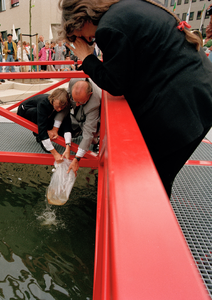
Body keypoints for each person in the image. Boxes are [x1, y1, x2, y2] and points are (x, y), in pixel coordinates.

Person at [60, 0, 212, 197]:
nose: (87, 41)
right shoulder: (126, 8)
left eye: (77, 36)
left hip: (179, 110)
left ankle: (149, 223)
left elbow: (116, 84)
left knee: (152, 180)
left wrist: (87, 58)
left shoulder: (108, 28)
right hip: (200, 96)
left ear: (79, 22)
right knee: (160, 177)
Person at [50, 78, 101, 176]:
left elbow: (89, 131)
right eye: (75, 100)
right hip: (77, 117)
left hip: (92, 120)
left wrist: (77, 158)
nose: (76, 105)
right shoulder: (73, 81)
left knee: (90, 135)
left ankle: (96, 141)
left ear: (89, 95)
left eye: (80, 102)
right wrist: (55, 128)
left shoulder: (95, 103)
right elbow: (66, 105)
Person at [17, 88, 72, 163]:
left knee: (56, 121)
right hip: (26, 111)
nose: (59, 109)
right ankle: (39, 138)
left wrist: (68, 145)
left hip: (44, 111)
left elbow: (67, 124)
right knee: (39, 119)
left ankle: (46, 136)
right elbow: (42, 127)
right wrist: (55, 153)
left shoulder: (64, 105)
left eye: (61, 107)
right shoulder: (43, 103)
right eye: (57, 106)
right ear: (52, 100)